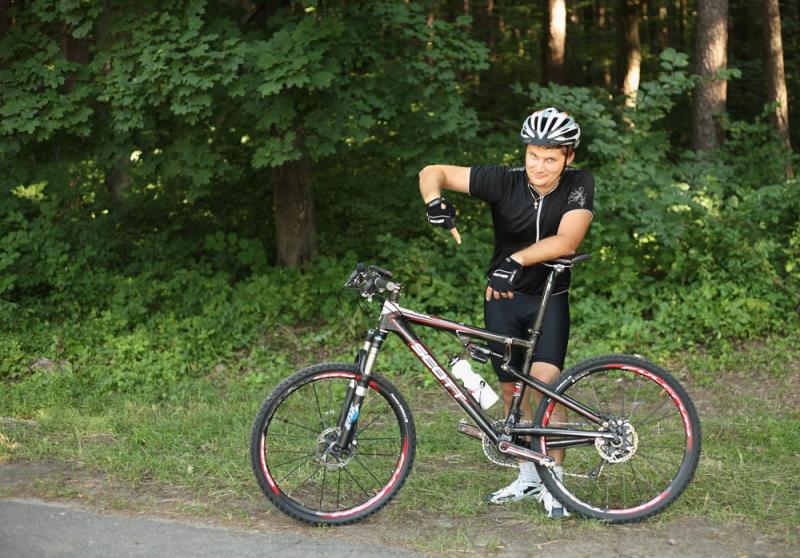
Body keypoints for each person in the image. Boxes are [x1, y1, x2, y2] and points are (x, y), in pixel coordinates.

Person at [417, 108, 594, 518]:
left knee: (544, 390)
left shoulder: (579, 184)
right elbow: (432, 171)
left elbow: (567, 239)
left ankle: (555, 482)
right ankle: (528, 476)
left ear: (568, 157)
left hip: (548, 299)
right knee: (513, 393)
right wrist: (434, 202)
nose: (539, 166)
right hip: (502, 300)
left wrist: (516, 260)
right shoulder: (504, 180)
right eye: (533, 155)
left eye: (550, 158)